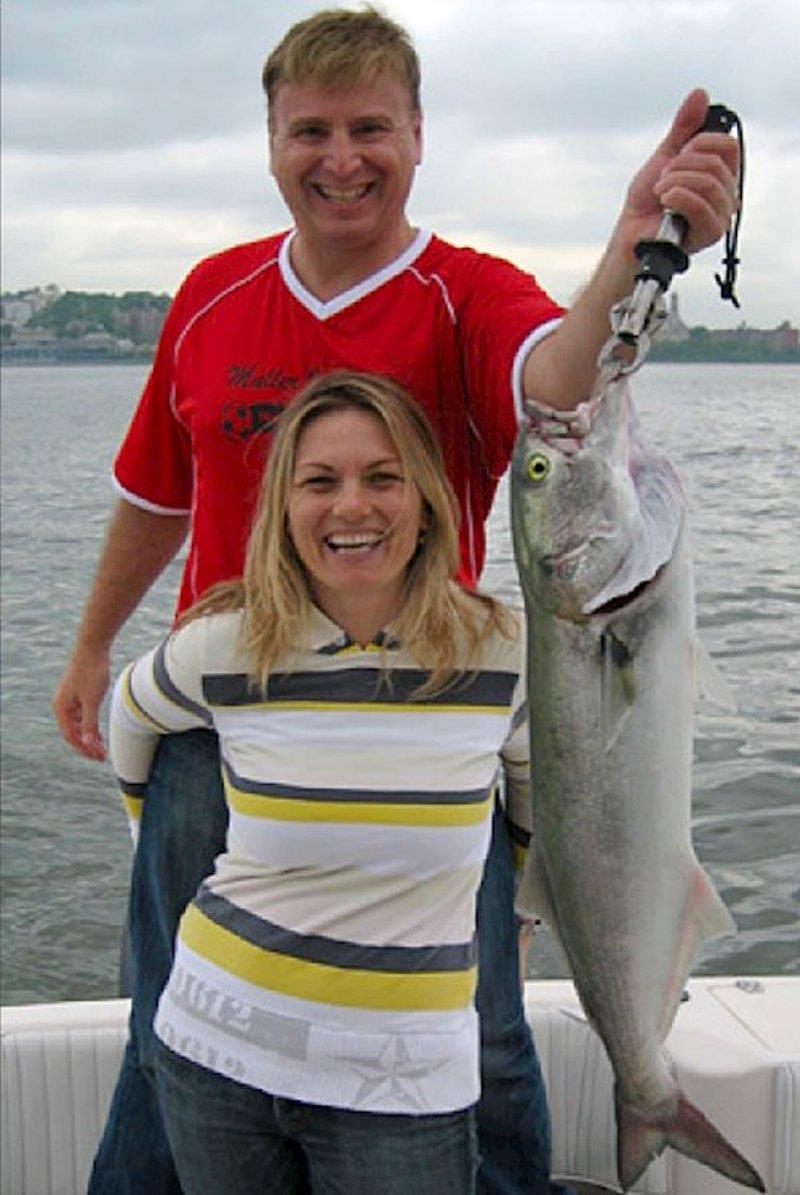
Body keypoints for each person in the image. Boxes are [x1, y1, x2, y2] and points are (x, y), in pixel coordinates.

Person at [52, 8, 739, 1194]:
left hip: (424, 742)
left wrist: (633, 249)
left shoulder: (465, 294)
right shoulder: (211, 295)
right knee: (166, 1017)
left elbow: (554, 383)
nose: (340, 157)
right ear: (269, 141)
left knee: (483, 1034)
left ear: (417, 136)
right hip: (214, 730)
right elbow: (155, 490)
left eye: (370, 126)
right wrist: (91, 644)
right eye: (309, 130)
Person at [110, 370, 533, 1195]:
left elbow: (534, 803)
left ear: (426, 500)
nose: (351, 507)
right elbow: (131, 719)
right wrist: (141, 831)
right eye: (320, 481)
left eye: (382, 477)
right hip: (216, 1050)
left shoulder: (503, 653)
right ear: (284, 506)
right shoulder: (225, 646)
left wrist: (512, 907)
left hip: (405, 1079)